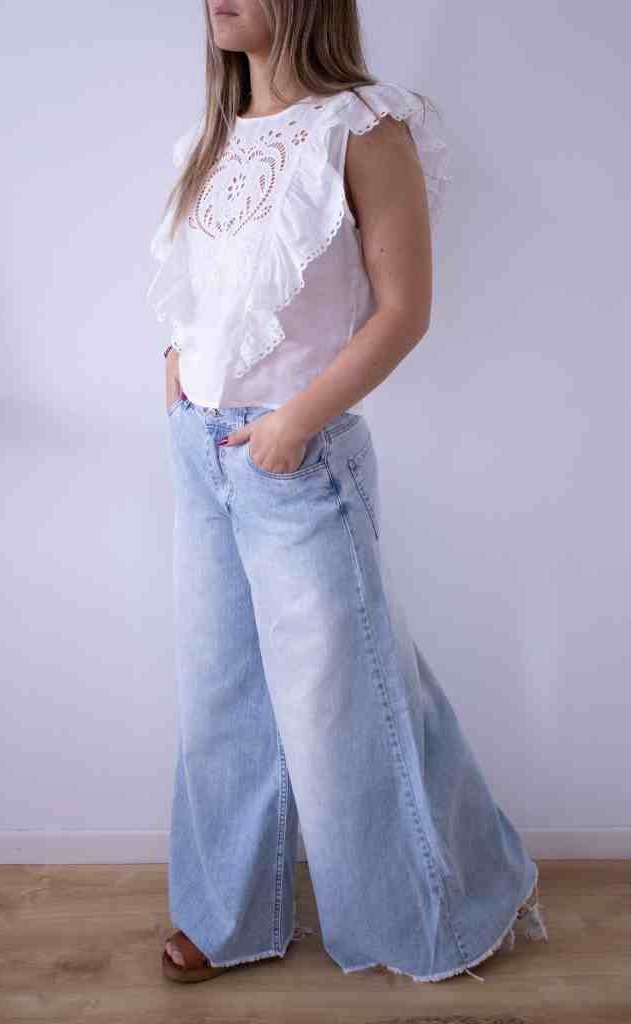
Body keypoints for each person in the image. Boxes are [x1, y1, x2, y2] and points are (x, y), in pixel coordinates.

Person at [147, 0, 548, 985]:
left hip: (296, 460)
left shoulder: (363, 126)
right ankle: (228, 916)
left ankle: (443, 910)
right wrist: (176, 366)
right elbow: (208, 291)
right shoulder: (211, 139)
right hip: (201, 452)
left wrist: (293, 423)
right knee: (218, 698)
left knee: (345, 707)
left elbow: (403, 310)